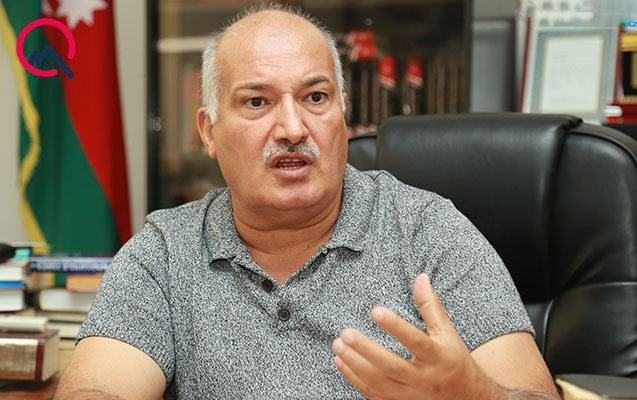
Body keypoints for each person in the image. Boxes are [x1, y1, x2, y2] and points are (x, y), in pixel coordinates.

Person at [55, 4, 560, 399]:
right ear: (209, 131)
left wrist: (473, 394)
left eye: (315, 97)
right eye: (257, 102)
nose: (293, 128)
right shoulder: (165, 251)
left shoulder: (428, 231)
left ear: (343, 113)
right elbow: (96, 388)